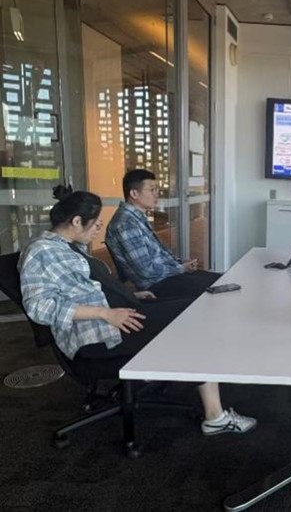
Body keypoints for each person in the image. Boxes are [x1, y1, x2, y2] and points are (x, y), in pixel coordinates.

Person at [19, 186, 256, 436]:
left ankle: (174, 375)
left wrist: (129, 296)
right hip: (97, 334)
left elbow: (89, 288)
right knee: (195, 319)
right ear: (77, 221)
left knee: (197, 307)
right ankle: (215, 417)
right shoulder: (41, 252)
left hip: (116, 316)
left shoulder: (65, 246)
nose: (99, 228)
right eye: (97, 223)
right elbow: (39, 307)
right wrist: (105, 314)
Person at [105, 169, 220, 298]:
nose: (157, 194)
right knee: (217, 288)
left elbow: (158, 255)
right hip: (156, 285)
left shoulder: (137, 218)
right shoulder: (126, 224)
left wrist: (180, 263)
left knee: (221, 280)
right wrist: (181, 268)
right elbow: (146, 271)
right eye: (152, 190)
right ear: (134, 193)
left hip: (168, 277)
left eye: (157, 189)